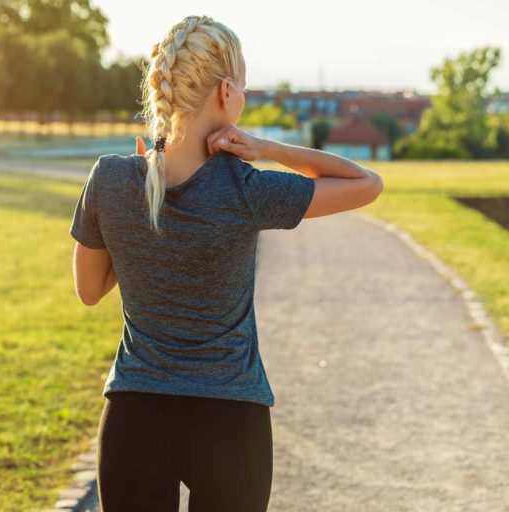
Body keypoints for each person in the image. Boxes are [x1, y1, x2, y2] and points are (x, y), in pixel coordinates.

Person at [69, 14, 383, 512]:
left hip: (135, 418)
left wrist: (128, 213)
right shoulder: (247, 187)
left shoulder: (109, 178)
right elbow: (365, 183)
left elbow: (89, 290)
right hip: (231, 424)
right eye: (243, 86)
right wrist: (266, 148)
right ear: (224, 92)